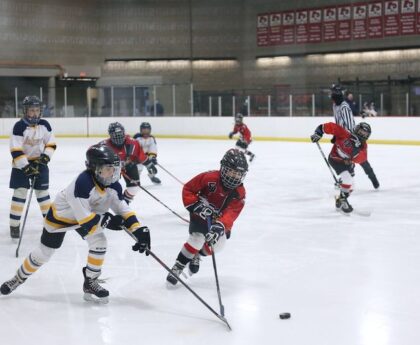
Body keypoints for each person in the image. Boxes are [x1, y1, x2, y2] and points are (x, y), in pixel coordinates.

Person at [0, 145, 151, 303]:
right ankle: (17, 278)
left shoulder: (113, 185)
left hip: (86, 216)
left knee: (99, 242)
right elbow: (87, 222)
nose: (113, 173)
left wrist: (139, 230)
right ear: (95, 169)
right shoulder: (82, 184)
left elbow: (123, 209)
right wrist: (110, 221)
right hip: (61, 219)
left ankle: (90, 282)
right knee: (44, 253)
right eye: (108, 169)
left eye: (114, 168)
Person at [166, 149, 248, 285]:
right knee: (197, 239)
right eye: (231, 172)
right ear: (223, 168)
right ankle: (179, 266)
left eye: (238, 174)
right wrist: (196, 205)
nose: (234, 177)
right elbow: (188, 189)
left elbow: (232, 212)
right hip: (200, 216)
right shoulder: (210, 178)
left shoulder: (239, 192)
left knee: (218, 245)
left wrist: (220, 226)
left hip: (218, 221)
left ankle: (196, 255)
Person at [9, 95, 56, 239]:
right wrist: (26, 167)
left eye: (37, 110)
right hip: (20, 165)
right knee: (20, 193)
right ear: (25, 111)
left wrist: (45, 157)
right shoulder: (19, 126)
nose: (35, 113)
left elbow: (51, 143)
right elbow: (15, 149)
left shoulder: (45, 125)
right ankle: (14, 225)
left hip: (39, 163)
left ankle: (49, 225)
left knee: (43, 194)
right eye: (31, 110)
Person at [310, 122, 372, 214]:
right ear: (356, 129)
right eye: (361, 132)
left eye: (365, 134)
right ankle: (343, 200)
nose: (362, 135)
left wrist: (356, 152)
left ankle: (340, 199)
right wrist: (318, 133)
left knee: (351, 186)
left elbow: (362, 159)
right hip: (335, 159)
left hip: (347, 164)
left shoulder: (363, 145)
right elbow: (328, 126)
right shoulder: (344, 134)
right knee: (347, 179)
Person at [330, 85, 379, 189]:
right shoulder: (335, 106)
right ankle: (348, 177)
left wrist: (352, 139)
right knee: (343, 157)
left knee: (361, 160)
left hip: (350, 137)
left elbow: (350, 125)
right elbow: (338, 122)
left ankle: (374, 180)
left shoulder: (344, 107)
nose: (333, 97)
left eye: (335, 94)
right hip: (342, 137)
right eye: (333, 94)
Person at [100, 122, 156, 203]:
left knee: (134, 188)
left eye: (120, 134)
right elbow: (92, 154)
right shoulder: (104, 145)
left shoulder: (133, 143)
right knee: (107, 190)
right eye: (116, 135)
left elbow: (140, 155)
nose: (118, 138)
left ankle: (124, 203)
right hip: (111, 170)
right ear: (110, 135)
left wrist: (149, 164)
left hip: (128, 166)